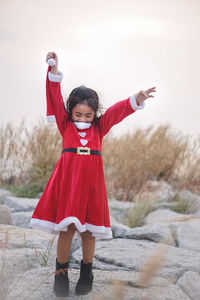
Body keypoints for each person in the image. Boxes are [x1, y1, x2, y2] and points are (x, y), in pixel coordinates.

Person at [30, 52, 156, 297]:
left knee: (88, 231)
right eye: (78, 114)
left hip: (91, 186)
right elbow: (55, 98)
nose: (83, 119)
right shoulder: (64, 124)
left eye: (88, 115)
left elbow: (118, 111)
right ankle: (61, 272)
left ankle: (87, 271)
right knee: (66, 229)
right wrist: (55, 70)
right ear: (70, 112)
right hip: (68, 184)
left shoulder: (100, 126)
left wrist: (136, 99)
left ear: (95, 113)